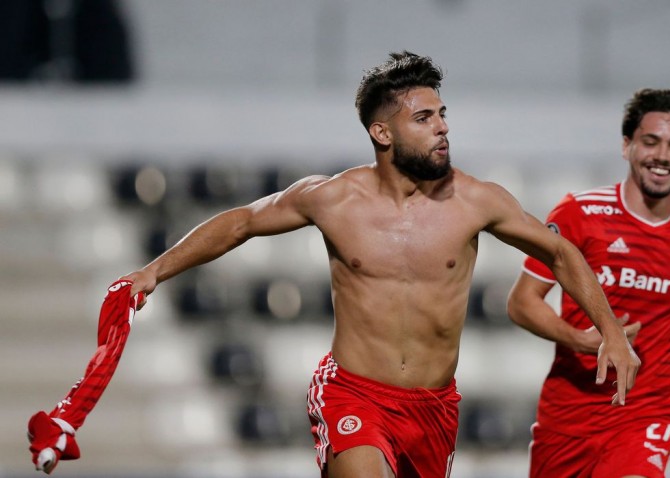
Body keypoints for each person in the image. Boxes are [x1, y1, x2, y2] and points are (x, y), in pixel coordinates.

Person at [121, 51, 639, 478]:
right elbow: (240, 222)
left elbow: (560, 251)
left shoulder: (477, 200)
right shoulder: (333, 199)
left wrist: (610, 331)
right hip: (355, 394)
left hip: (435, 408)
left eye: (442, 115)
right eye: (423, 118)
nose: (442, 129)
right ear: (382, 133)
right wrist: (153, 272)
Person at [507, 88, 670, 478]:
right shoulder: (580, 213)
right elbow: (521, 302)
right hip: (570, 412)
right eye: (651, 142)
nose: (663, 156)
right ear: (626, 145)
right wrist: (580, 340)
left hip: (649, 411)